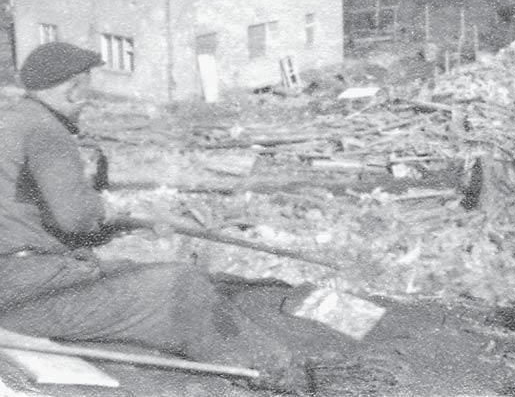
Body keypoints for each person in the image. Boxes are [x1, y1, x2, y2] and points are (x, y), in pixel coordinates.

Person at [0, 42, 306, 392]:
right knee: (180, 287)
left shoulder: (10, 121)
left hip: (16, 281)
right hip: (24, 290)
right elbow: (75, 219)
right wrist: (107, 210)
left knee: (137, 273)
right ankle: (287, 378)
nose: (88, 97)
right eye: (86, 86)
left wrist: (112, 226)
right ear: (72, 86)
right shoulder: (44, 129)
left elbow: (28, 214)